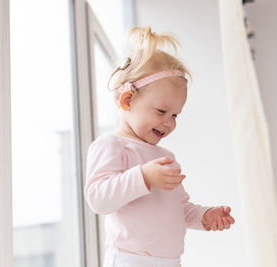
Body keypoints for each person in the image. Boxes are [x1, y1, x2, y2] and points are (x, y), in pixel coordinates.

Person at [84, 26, 235, 267]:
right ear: (127, 100)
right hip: (129, 259)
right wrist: (143, 176)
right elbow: (98, 199)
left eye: (175, 114)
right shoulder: (112, 145)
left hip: (171, 261)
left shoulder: (165, 157)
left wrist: (204, 217)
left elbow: (180, 208)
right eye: (161, 111)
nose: (169, 122)